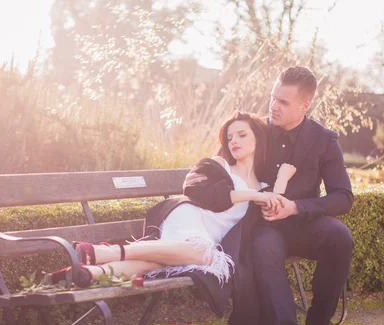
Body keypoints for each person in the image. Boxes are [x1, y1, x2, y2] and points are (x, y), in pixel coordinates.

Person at [185, 66, 354, 325]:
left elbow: (343, 197)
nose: (273, 106)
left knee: (340, 238)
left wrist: (295, 207)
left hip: (302, 221)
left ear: (305, 105)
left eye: (284, 102)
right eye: (272, 98)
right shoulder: (253, 130)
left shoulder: (325, 140)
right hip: (261, 227)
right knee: (264, 250)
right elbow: (214, 170)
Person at [47, 112, 296, 299]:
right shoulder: (218, 165)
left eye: (242, 135)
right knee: (203, 254)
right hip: (189, 218)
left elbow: (272, 208)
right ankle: (107, 253)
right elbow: (196, 190)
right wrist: (252, 196)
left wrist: (281, 179)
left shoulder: (263, 185)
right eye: (230, 137)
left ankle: (90, 273)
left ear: (259, 139)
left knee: (160, 262)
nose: (234, 141)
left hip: (202, 238)